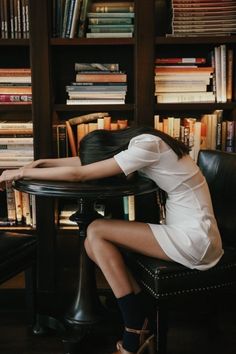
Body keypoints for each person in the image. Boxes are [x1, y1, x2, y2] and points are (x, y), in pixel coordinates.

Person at [0, 126, 223, 354]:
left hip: (194, 239)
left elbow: (81, 173)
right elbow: (84, 164)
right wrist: (42, 163)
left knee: (96, 230)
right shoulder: (144, 141)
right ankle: (139, 318)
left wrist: (21, 173)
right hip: (191, 232)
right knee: (92, 243)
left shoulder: (147, 146)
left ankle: (135, 328)